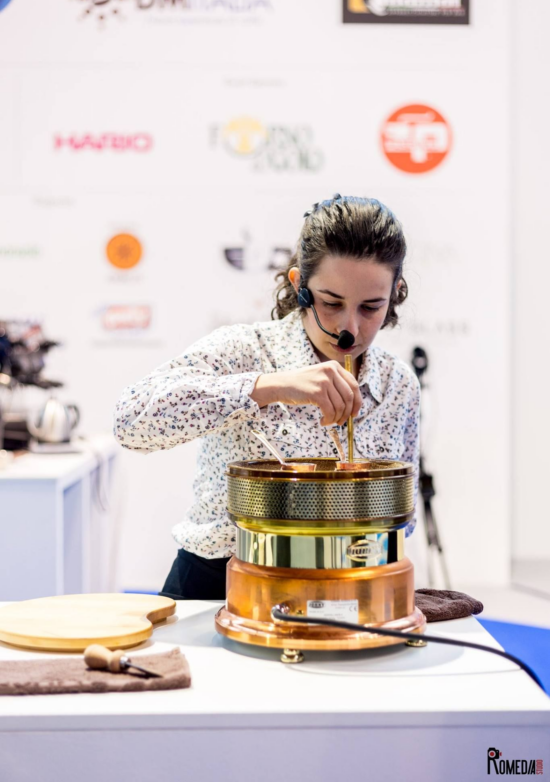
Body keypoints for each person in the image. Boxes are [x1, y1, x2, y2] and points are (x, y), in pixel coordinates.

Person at [114, 194, 421, 600]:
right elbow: (131, 422)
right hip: (217, 583)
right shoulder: (245, 350)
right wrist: (266, 387)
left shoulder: (399, 384)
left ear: (395, 293)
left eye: (371, 307)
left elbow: (403, 514)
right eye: (331, 303)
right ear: (299, 285)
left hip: (346, 589)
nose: (350, 327)